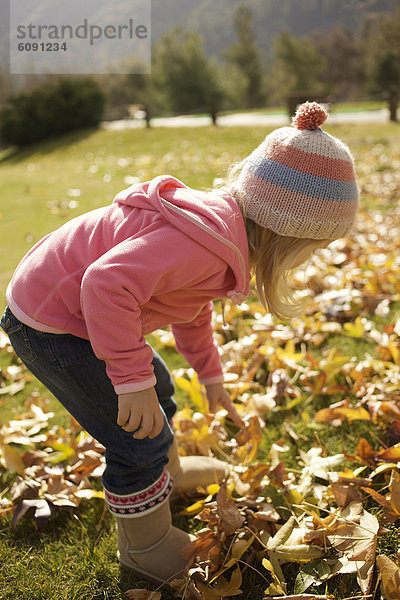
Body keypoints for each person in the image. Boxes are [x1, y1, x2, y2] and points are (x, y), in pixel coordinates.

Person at [1, 102, 358, 584]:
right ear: (285, 235)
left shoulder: (220, 236)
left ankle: (166, 470)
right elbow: (105, 284)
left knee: (158, 390)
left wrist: (211, 376)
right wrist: (129, 381)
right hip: (52, 323)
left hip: (71, 311)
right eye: (311, 249)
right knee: (133, 433)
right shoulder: (202, 246)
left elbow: (190, 307)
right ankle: (144, 548)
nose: (306, 261)